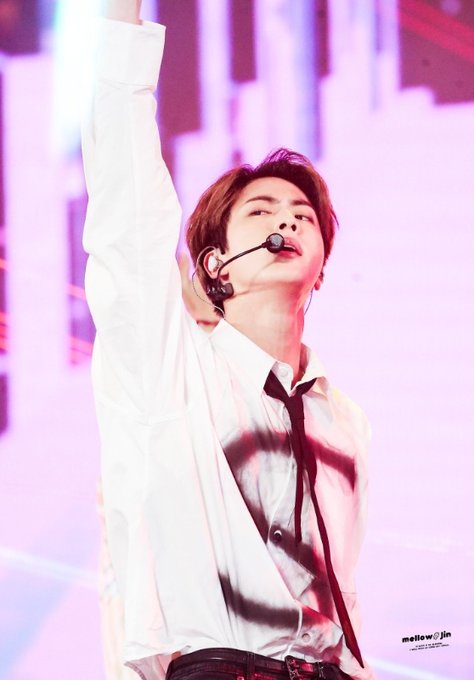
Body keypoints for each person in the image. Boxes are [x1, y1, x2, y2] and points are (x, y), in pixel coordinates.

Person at [82, 2, 374, 680]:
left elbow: (342, 595)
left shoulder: (344, 422)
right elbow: (128, 213)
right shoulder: (171, 368)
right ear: (216, 264)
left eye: (304, 215)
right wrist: (122, 23)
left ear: (321, 268)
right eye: (264, 211)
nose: (288, 222)